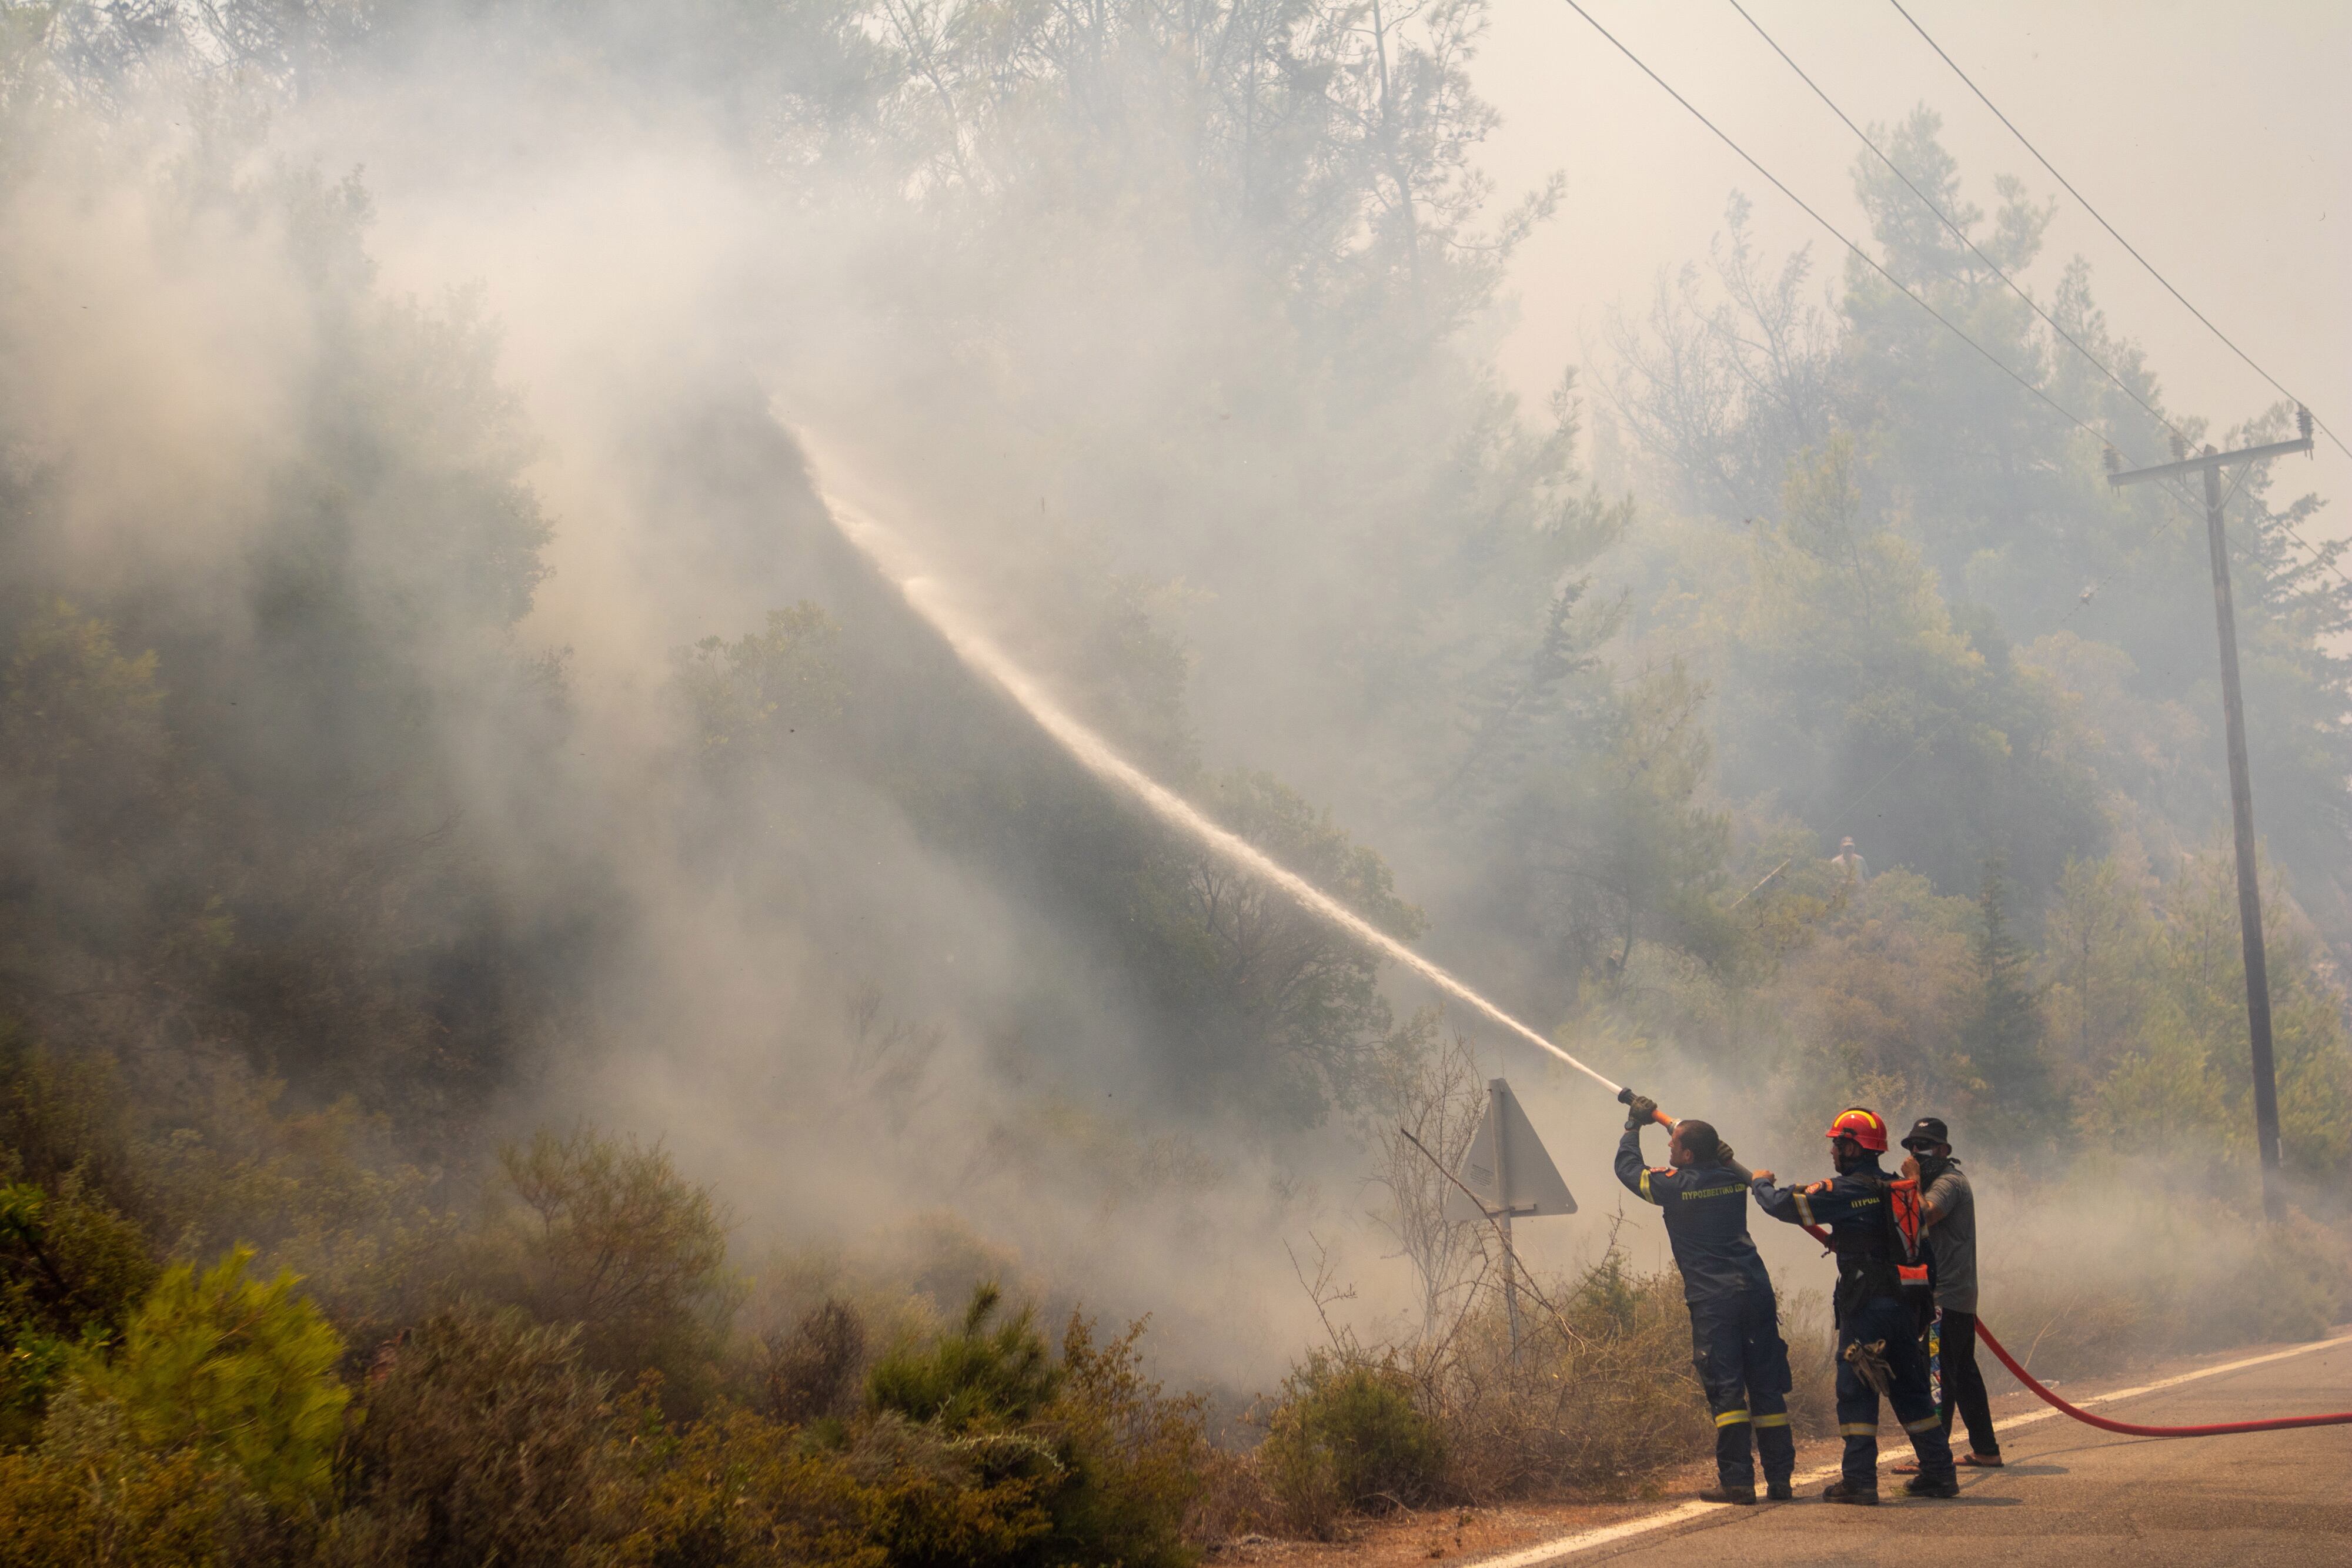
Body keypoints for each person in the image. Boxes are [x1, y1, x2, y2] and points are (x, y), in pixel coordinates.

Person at [1752, 1107, 1958, 1503]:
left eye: (1837, 1143)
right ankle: (1940, 1472)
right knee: (1910, 1389)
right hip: (1904, 1306)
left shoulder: (1849, 1189)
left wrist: (1761, 1184)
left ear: (1853, 1145)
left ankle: (1860, 1480)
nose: (1832, 1150)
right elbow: (1924, 1253)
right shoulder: (1899, 1190)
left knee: (1856, 1387)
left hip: (1867, 1306)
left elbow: (1786, 1207)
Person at [1615, 1092, 1796, 1505]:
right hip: (1756, 1290)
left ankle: (1737, 1482)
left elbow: (1629, 1171)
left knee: (1727, 1392)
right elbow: (1727, 1165)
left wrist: (1632, 1126)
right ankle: (1781, 1480)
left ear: (1689, 1155)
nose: (1669, 1146)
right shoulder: (1734, 1177)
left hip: (1715, 1302)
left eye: (1674, 1144)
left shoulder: (1674, 1185)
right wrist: (1723, 1155)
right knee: (1767, 1388)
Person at [1900, 1116, 2002, 1469]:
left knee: (1937, 1373)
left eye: (1924, 1146)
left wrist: (1911, 1180)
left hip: (1946, 1297)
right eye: (1912, 1146)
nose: (1916, 1153)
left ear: (1944, 1151)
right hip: (1952, 1295)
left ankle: (1934, 1459)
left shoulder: (1948, 1183)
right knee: (1964, 1374)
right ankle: (1986, 1449)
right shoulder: (1933, 1183)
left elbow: (1924, 1215)